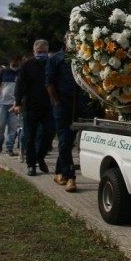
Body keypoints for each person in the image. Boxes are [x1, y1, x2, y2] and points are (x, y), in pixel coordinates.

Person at [13, 40, 55, 176]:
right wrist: (18, 103)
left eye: (44, 52)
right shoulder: (27, 65)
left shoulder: (52, 63)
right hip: (30, 105)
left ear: (47, 52)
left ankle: (40, 156)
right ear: (34, 52)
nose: (41, 54)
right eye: (39, 52)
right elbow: (19, 85)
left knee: (49, 133)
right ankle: (31, 165)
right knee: (30, 136)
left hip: (48, 105)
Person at [46, 33, 81, 192]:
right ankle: (70, 177)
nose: (74, 41)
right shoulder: (56, 58)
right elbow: (49, 82)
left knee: (68, 141)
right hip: (62, 105)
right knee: (64, 139)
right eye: (71, 38)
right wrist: (57, 101)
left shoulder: (81, 57)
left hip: (78, 106)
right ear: (65, 41)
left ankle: (60, 173)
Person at [0, 58, 21, 154]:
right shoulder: (2, 72)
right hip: (2, 103)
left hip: (15, 104)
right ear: (10, 61)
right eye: (13, 61)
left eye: (17, 61)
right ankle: (0, 141)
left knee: (13, 127)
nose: (15, 63)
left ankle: (9, 148)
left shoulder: (21, 72)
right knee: (0, 125)